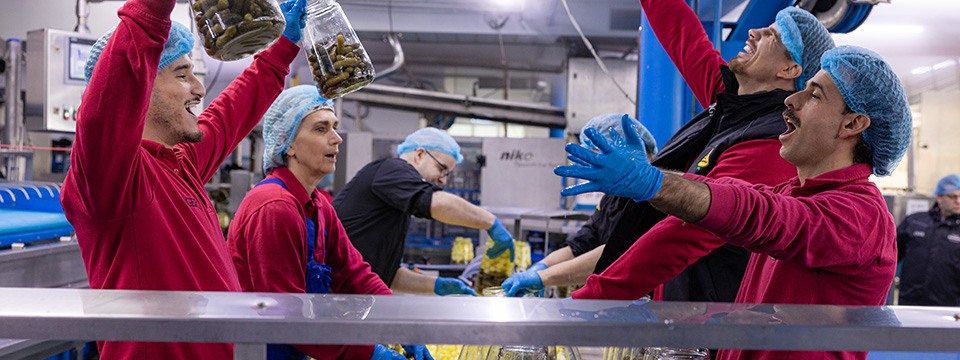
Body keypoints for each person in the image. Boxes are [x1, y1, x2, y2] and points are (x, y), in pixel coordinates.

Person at [557, 45, 911, 360]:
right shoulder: (791, 192)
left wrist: (652, 182)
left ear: (852, 123)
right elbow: (727, 203)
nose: (791, 100)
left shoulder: (861, 214)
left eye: (815, 96)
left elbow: (755, 213)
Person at [59, 0, 307, 357]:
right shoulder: (113, 179)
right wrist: (151, 12)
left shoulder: (179, 164)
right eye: (182, 73)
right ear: (141, 85)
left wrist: (282, 48)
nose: (200, 88)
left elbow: (230, 113)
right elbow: (115, 86)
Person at [582, 4, 835, 302]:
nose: (754, 32)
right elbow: (681, 33)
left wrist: (595, 296)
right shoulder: (731, 102)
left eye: (772, 37)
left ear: (790, 70)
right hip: (680, 310)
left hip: (712, 327)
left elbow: (686, 232)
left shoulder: (773, 142)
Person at [227, 86, 431, 360]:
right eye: (321, 129)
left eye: (334, 127)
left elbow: (354, 275)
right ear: (289, 144)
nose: (337, 139)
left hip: (299, 348)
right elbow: (286, 312)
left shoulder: (318, 205)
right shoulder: (275, 207)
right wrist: (369, 353)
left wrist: (402, 326)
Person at [333, 128, 509, 295]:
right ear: (419, 155)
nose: (443, 181)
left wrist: (437, 285)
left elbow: (390, 275)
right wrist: (491, 223)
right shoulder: (393, 168)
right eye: (442, 169)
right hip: (330, 292)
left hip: (350, 295)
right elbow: (436, 203)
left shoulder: (396, 200)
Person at [500, 113, 658, 297]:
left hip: (649, 301)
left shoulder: (653, 198)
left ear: (639, 151)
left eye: (602, 154)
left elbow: (615, 253)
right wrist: (541, 266)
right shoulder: (615, 194)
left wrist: (543, 277)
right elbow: (585, 240)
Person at [896, 174, 960, 306]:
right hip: (909, 304)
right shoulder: (915, 221)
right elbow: (889, 257)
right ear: (939, 197)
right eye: (952, 196)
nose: (958, 201)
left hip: (949, 309)